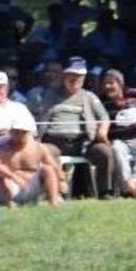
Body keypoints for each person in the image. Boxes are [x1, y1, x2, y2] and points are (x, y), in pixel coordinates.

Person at [37, 57, 114, 198]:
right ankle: (56, 192)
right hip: (55, 140)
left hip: (83, 141)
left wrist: (103, 130)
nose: (74, 80)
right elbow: (38, 114)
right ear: (64, 76)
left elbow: (104, 117)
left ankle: (105, 192)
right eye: (71, 76)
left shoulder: (89, 96)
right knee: (46, 151)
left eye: (78, 77)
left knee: (105, 152)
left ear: (84, 78)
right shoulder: (50, 94)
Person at [99, 69, 136, 198]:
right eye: (105, 84)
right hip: (117, 139)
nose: (107, 87)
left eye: (111, 83)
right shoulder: (100, 100)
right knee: (117, 149)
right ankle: (128, 188)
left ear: (120, 84)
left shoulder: (135, 94)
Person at [0, 111, 62, 207]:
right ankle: (10, 203)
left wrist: (62, 180)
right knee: (0, 174)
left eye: (23, 132)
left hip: (33, 185)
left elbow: (53, 165)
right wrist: (14, 176)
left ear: (28, 132)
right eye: (17, 132)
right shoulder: (2, 149)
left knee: (48, 169)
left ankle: (53, 201)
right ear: (11, 132)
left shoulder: (38, 147)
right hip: (12, 187)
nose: (20, 135)